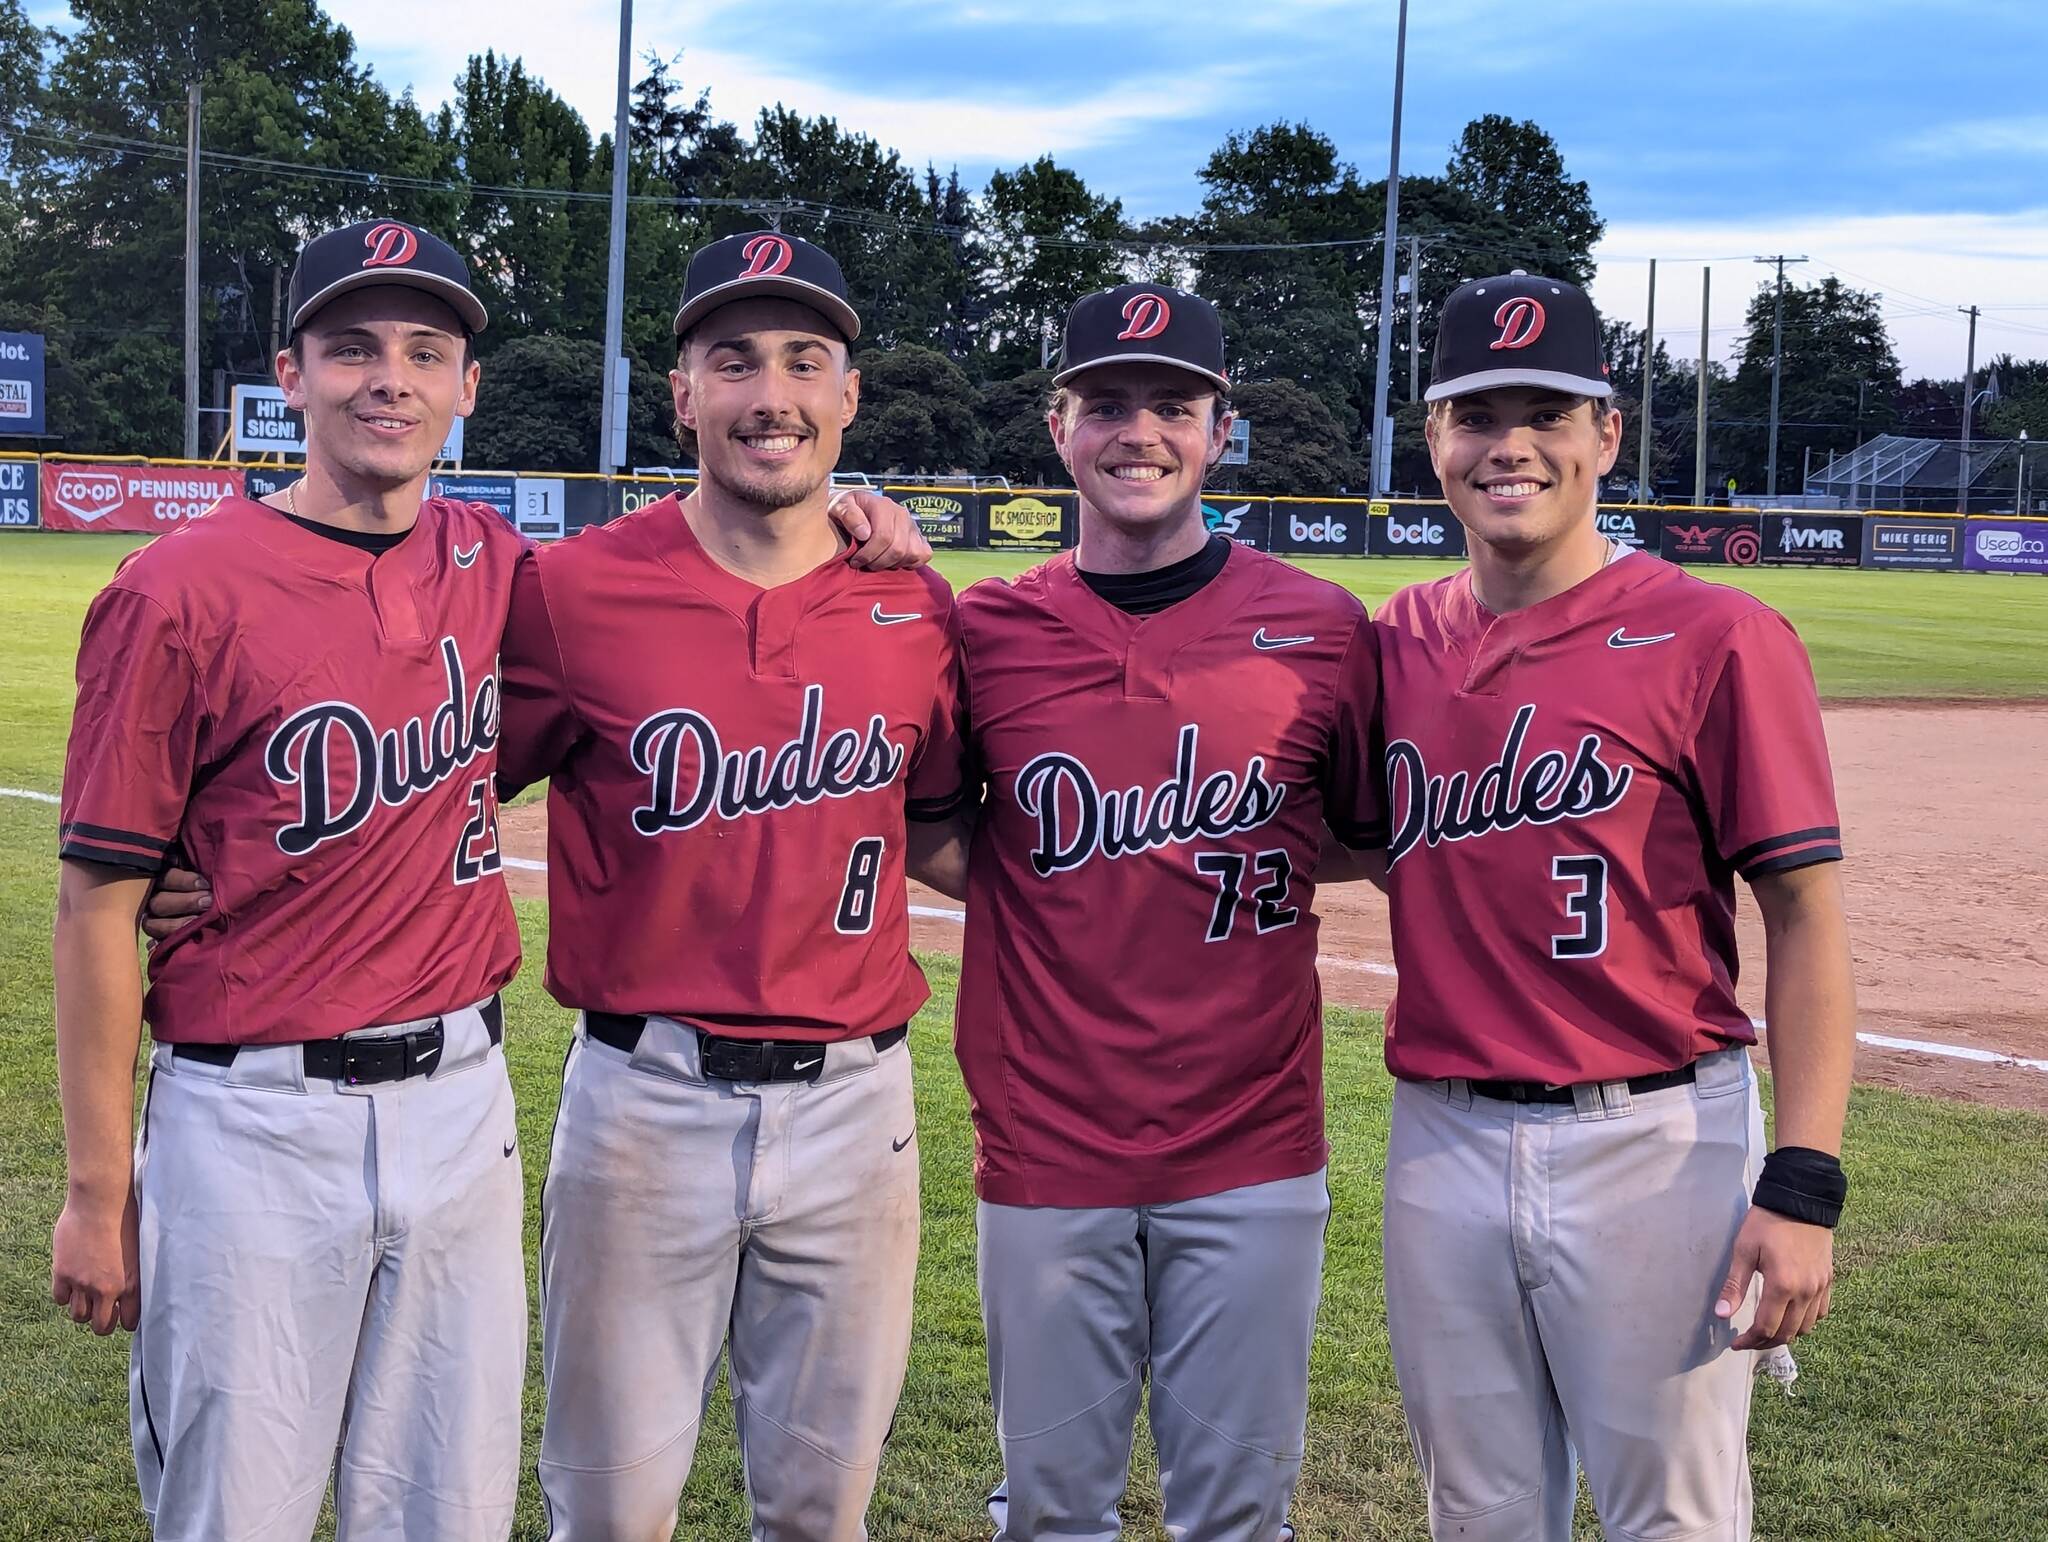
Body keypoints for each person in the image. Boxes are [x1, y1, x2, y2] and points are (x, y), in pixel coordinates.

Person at [52, 218, 531, 1542]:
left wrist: (859, 514)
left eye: (425, 350)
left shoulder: (502, 566)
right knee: (234, 1517)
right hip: (249, 1126)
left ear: (464, 386)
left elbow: (684, 604)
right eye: (352, 347)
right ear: (290, 375)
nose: (390, 376)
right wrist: (100, 1192)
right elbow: (96, 901)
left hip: (462, 1107)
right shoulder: (175, 590)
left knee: (453, 1513)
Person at [496, 231, 965, 1541]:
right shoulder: (571, 592)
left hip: (857, 1110)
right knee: (608, 1508)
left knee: (823, 1515)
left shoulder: (917, 607)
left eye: (805, 360)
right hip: (643, 1102)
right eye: (736, 359)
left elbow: (945, 833)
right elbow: (442, 790)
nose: (774, 394)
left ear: (849, 397)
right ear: (682, 392)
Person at [1373, 271, 1855, 1541]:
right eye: (1475, 415)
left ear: (1605, 434)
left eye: (1546, 410)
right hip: (1440, 1138)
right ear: (1432, 440)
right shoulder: (1393, 641)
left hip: (1656, 1142)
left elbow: (1802, 916)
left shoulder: (1718, 638)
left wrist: (1800, 1184)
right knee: (1473, 1516)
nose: (1507, 446)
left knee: (1673, 1521)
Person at [910, 283, 1385, 1541]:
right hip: (1046, 1140)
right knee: (1050, 1512)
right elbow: (940, 832)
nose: (1139, 431)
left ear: (1217, 430)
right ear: (1057, 425)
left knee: (1237, 1514)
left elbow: (1361, 834)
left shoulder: (1324, 629)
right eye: (1106, 402)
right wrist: (1069, 885)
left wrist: (1210, 852)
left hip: (1252, 1144)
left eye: (1171, 404)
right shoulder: (986, 628)